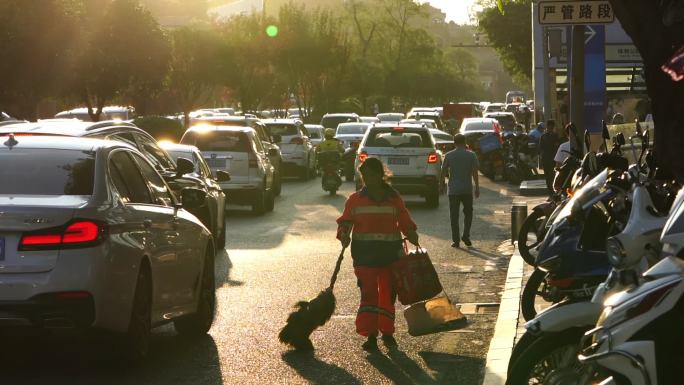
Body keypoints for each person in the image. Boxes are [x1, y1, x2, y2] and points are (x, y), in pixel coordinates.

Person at [337, 158, 419, 352]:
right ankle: (371, 335)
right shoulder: (355, 199)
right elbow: (345, 221)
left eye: (372, 175)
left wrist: (412, 234)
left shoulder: (393, 197)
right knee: (368, 295)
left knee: (388, 296)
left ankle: (388, 333)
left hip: (391, 256)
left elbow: (404, 219)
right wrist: (343, 235)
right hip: (364, 256)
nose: (368, 179)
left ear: (381, 175)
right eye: (365, 176)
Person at [441, 134, 479, 248]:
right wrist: (477, 187)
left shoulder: (449, 155)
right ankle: (466, 235)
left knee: (454, 216)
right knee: (468, 213)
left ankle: (456, 240)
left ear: (454, 142)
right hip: (466, 189)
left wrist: (441, 185)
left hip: (453, 190)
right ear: (465, 141)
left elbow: (443, 171)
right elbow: (475, 172)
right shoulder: (471, 155)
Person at [538, 119, 560, 193]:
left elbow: (557, 147)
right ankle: (550, 192)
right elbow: (541, 149)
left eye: (551, 126)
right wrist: (541, 159)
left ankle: (553, 192)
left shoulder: (556, 136)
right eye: (548, 126)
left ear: (553, 127)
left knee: (553, 175)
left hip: (553, 159)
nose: (549, 128)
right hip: (546, 159)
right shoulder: (543, 136)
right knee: (547, 176)